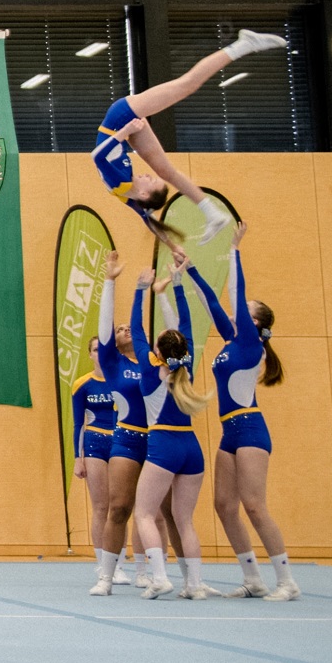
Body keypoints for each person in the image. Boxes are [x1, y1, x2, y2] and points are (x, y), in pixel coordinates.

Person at [184, 224, 300, 601]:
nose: (238, 312)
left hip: (251, 429)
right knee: (223, 505)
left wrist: (234, 249)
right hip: (228, 431)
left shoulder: (249, 342)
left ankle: (287, 582)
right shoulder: (233, 341)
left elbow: (235, 294)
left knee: (254, 505)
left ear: (257, 324)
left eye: (246, 312)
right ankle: (253, 578)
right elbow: (212, 302)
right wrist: (189, 269)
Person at [91, 30, 286, 244]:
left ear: (144, 195)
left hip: (121, 117)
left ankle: (244, 45)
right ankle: (211, 212)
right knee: (168, 172)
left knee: (188, 85)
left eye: (151, 181)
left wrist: (125, 132)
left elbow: (97, 156)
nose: (147, 175)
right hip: (126, 128)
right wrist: (174, 248)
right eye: (152, 179)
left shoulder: (120, 184)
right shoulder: (129, 195)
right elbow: (149, 219)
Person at [133, 249, 219, 600]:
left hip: (164, 445)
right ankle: (194, 585)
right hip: (192, 448)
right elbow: (186, 323)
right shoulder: (188, 367)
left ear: (157, 349)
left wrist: (141, 290)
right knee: (183, 520)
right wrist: (179, 282)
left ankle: (159, 577)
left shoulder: (151, 372)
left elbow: (136, 329)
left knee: (145, 515)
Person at [91, 251, 149, 595]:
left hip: (157, 440)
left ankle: (148, 571)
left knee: (154, 512)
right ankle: (106, 576)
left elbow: (177, 345)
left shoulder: (150, 359)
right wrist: (109, 281)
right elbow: (104, 327)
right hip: (125, 439)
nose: (123, 330)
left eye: (128, 327)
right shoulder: (114, 363)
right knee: (119, 507)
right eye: (119, 329)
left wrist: (150, 291)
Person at [69, 356, 120, 594]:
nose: (101, 353)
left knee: (120, 507)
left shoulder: (121, 378)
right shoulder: (83, 384)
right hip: (95, 443)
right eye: (96, 349)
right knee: (101, 506)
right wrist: (77, 458)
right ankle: (102, 564)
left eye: (104, 349)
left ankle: (117, 562)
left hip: (121, 442)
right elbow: (78, 423)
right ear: (89, 354)